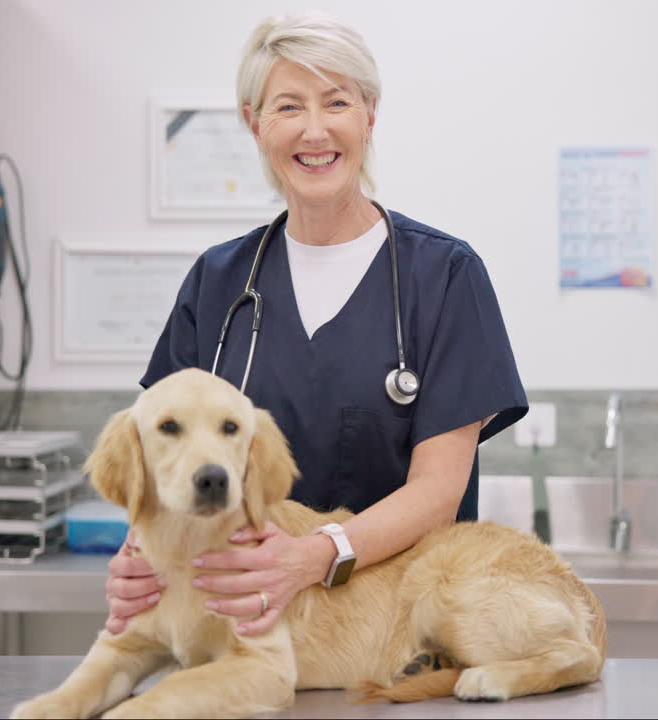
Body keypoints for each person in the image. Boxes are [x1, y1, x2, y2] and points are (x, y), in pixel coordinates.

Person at [104, 13, 528, 638]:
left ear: (369, 115)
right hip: (246, 628)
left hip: (401, 629)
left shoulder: (444, 276)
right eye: (288, 107)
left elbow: (439, 490)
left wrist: (314, 556)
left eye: (337, 102)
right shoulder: (217, 282)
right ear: (254, 123)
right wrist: (139, 556)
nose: (315, 129)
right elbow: (157, 460)